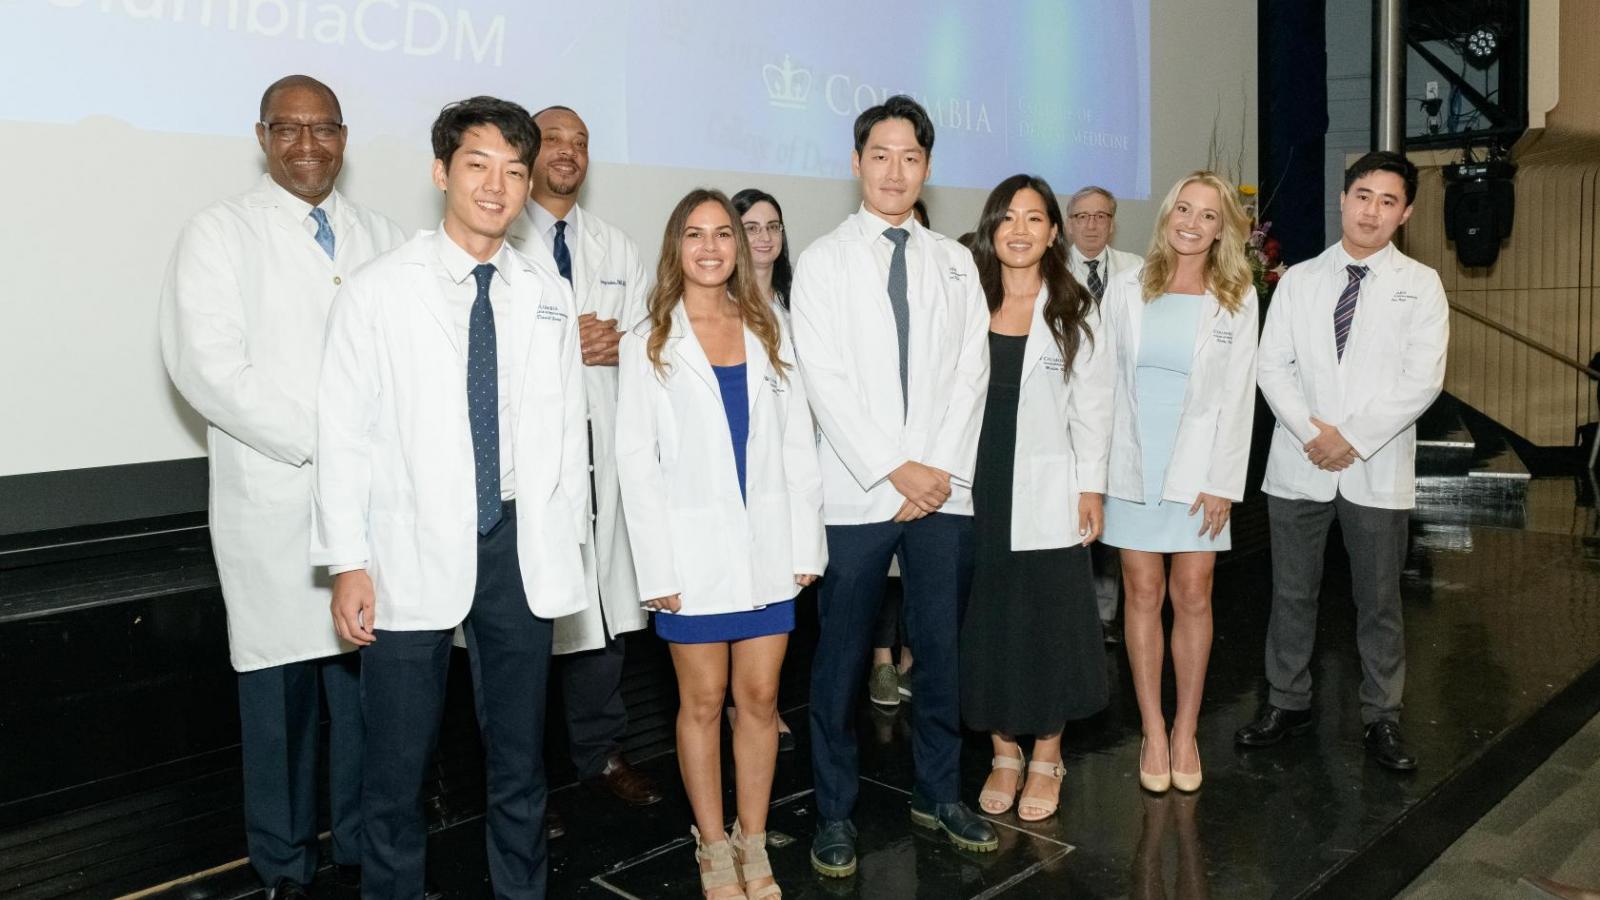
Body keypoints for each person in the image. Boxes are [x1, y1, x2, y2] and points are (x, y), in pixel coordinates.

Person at [312, 96, 588, 899]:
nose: (497, 186)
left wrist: (563, 547)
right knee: (394, 767)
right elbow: (343, 436)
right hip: (405, 549)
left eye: (513, 170)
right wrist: (348, 563)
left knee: (518, 760)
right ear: (442, 173)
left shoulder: (546, 293)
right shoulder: (377, 291)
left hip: (516, 547)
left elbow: (567, 434)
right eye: (478, 165)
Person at [159, 74, 406, 900]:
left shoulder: (383, 236)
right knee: (282, 704)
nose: (308, 144)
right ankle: (284, 870)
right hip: (276, 503)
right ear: (263, 135)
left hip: (373, 513)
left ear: (344, 136)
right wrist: (330, 442)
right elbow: (209, 369)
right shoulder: (218, 233)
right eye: (289, 128)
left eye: (324, 128)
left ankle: (365, 854)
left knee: (369, 703)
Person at [792, 94, 994, 877]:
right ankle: (835, 812)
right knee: (840, 661)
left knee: (940, 653)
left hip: (942, 493)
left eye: (911, 157)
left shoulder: (952, 262)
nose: (895, 170)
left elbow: (970, 370)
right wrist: (894, 467)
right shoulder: (823, 260)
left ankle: (938, 793)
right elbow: (825, 381)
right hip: (857, 491)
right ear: (856, 162)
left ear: (928, 168)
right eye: (881, 154)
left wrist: (936, 469)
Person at [614, 188, 826, 900]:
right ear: (676, 246)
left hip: (769, 549)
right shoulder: (648, 334)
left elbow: (799, 444)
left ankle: (754, 840)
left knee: (761, 699)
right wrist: (656, 567)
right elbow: (634, 463)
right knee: (702, 701)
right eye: (695, 234)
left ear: (740, 246)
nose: (710, 247)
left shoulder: (770, 324)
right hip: (690, 556)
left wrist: (806, 543)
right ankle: (711, 846)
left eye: (723, 234)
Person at [1236, 150, 1448, 772]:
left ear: (1404, 213)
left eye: (1388, 201)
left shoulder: (1423, 285)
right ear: (1342, 200)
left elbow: (1422, 381)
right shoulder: (1299, 279)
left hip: (1375, 464)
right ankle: (1286, 701)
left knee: (1378, 600)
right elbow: (1271, 365)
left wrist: (1350, 438)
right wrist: (1314, 435)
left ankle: (1381, 716)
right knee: (1291, 592)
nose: (1372, 210)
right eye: (1363, 196)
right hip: (1302, 462)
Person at [507, 104, 662, 832]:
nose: (568, 152)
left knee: (602, 620)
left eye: (581, 142)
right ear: (528, 152)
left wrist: (620, 346)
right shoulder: (498, 240)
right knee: (527, 633)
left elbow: (649, 341)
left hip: (605, 461)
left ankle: (601, 754)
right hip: (531, 467)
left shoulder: (615, 246)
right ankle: (523, 785)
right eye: (554, 140)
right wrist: (562, 343)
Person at [959, 174, 1113, 822]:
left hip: (1050, 484)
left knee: (1049, 620)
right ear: (992, 229)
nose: (1019, 231)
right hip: (976, 482)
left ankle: (1047, 753)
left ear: (1054, 230)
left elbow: (1095, 405)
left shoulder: (1073, 305)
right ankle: (1002, 751)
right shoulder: (967, 299)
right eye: (1007, 219)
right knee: (987, 617)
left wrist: (1090, 487)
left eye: (1033, 219)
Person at [1101, 170, 1259, 794]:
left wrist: (1223, 480)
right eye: (1183, 210)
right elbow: (1101, 382)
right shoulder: (1126, 287)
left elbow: (1239, 395)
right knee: (1141, 593)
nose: (1192, 224)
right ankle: (1151, 729)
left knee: (1193, 593)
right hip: (1132, 463)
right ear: (1168, 215)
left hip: (1199, 467)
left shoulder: (1238, 297)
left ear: (1224, 230)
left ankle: (1186, 730)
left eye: (1208, 216)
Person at [729, 187, 800, 754]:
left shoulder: (795, 299)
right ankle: (743, 705)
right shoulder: (715, 306)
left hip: (796, 466)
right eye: (750, 226)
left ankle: (762, 701)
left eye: (772, 226)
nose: (763, 237)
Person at [1065, 185, 1145, 646]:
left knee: (1116, 516)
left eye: (1101, 217)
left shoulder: (1138, 270)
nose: (1092, 225)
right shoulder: (1050, 271)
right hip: (1074, 411)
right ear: (1069, 223)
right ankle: (1079, 615)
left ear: (1113, 223)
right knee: (1079, 509)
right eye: (1082, 216)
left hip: (1128, 410)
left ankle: (1108, 616)